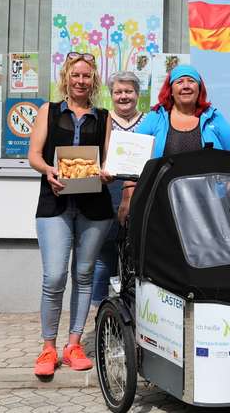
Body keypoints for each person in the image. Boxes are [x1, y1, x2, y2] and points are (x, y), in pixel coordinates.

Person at [27, 51, 114, 377]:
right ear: (66, 77)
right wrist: (48, 169)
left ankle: (73, 344)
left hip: (94, 207)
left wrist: (109, 172)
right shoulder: (48, 112)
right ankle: (48, 348)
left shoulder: (103, 117)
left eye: (87, 76)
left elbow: (107, 161)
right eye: (75, 75)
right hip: (55, 204)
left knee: (84, 276)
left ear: (93, 81)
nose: (81, 81)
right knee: (54, 277)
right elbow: (33, 154)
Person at [119, 64, 230, 222]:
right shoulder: (156, 117)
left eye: (191, 81)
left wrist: (227, 188)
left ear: (199, 88)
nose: (186, 86)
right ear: (171, 89)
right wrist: (127, 198)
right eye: (179, 82)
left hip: (208, 206)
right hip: (162, 203)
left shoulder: (214, 117)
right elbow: (132, 159)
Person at [90, 72, 144, 307]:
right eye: (118, 92)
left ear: (137, 95)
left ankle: (134, 307)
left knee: (135, 252)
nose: (124, 96)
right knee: (105, 251)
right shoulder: (103, 120)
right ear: (111, 95)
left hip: (140, 191)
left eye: (128, 91)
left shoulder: (149, 120)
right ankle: (100, 308)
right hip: (108, 191)